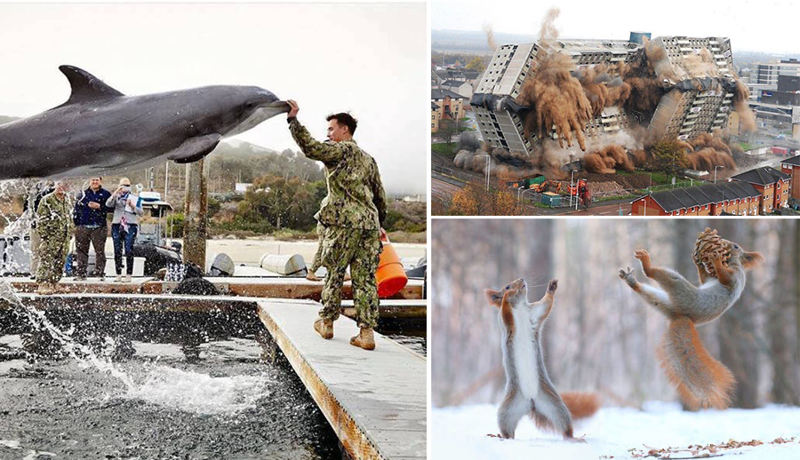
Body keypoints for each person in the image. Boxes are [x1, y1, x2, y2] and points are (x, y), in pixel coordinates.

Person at [286, 100, 387, 350]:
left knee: (335, 272)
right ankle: (366, 333)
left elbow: (310, 148)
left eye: (331, 129)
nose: (328, 134)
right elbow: (380, 195)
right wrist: (380, 223)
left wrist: (293, 121)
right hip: (369, 225)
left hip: (342, 223)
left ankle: (327, 323)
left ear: (345, 130)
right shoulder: (369, 159)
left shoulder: (340, 151)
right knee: (365, 279)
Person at [34, 181, 73, 295]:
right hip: (51, 237)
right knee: (47, 260)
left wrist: (70, 231)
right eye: (60, 184)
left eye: (65, 185)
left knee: (60, 261)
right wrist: (45, 236)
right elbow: (41, 220)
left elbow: (68, 217)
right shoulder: (47, 200)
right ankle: (42, 284)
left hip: (64, 237)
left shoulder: (66, 200)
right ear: (56, 185)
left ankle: (54, 283)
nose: (62, 187)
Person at [72, 176, 111, 280]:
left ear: (100, 181)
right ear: (89, 181)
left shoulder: (106, 194)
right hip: (83, 226)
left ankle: (100, 273)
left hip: (99, 226)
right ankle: (81, 274)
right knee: (81, 251)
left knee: (100, 251)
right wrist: (77, 224)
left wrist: (99, 207)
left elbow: (111, 209)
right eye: (93, 180)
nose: (94, 182)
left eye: (96, 180)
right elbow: (76, 210)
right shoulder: (82, 194)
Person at [106, 178, 143, 282]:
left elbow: (141, 212)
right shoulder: (116, 197)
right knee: (117, 250)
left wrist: (132, 205)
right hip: (117, 224)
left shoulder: (135, 197)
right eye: (123, 185)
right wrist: (115, 192)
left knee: (129, 249)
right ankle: (118, 273)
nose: (125, 187)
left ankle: (129, 274)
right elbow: (108, 204)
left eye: (127, 185)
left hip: (130, 225)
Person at [24, 181, 55, 279]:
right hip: (35, 226)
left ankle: (47, 272)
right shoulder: (31, 195)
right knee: (35, 250)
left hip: (48, 226)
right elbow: (26, 209)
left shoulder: (52, 192)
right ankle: (34, 272)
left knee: (48, 250)